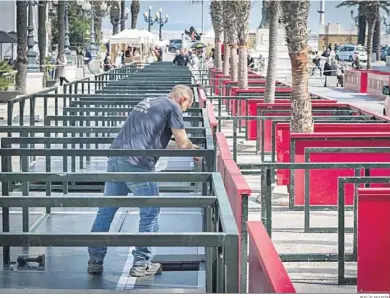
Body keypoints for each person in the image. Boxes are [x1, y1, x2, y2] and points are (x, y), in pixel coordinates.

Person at [87, 85, 199, 277]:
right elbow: (182, 143)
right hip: (138, 163)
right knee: (150, 211)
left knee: (106, 211)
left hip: (116, 158)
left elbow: (154, 139)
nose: (184, 111)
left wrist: (190, 146)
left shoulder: (148, 101)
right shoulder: (174, 107)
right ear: (184, 100)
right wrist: (192, 148)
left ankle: (95, 261)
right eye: (187, 107)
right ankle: (142, 263)